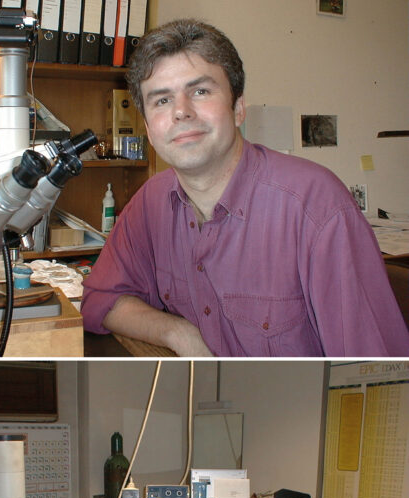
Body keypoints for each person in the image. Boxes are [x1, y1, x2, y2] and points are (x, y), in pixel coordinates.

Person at [81, 19, 409, 357]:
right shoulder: (151, 202)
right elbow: (100, 300)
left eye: (200, 91)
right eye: (161, 101)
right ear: (149, 129)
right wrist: (177, 332)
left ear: (238, 108)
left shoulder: (317, 207)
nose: (181, 111)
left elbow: (376, 371)